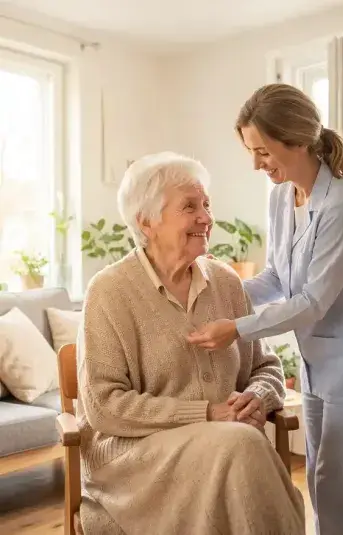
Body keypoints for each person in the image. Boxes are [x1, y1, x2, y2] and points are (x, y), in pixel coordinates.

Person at [186, 83, 343, 535]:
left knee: (342, 493)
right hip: (318, 367)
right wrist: (225, 287)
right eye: (251, 151)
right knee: (321, 482)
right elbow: (278, 278)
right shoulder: (282, 197)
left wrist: (235, 329)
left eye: (262, 151)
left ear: (296, 140)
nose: (256, 164)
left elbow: (312, 302)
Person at [76, 152, 305, 535]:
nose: (206, 217)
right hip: (137, 461)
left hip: (225, 448)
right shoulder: (109, 291)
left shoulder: (226, 281)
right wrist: (209, 413)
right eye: (189, 207)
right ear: (146, 222)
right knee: (241, 445)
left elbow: (265, 366)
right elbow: (103, 406)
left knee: (239, 444)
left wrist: (257, 398)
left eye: (206, 205)